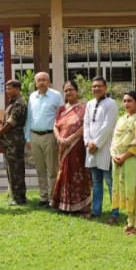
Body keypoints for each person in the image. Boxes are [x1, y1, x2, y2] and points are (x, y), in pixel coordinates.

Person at [51, 80, 92, 215]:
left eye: (71, 90)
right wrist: (59, 138)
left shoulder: (84, 108)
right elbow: (55, 125)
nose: (68, 92)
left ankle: (80, 205)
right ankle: (64, 204)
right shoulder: (61, 109)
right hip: (62, 146)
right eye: (66, 90)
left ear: (77, 91)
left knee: (77, 174)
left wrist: (71, 139)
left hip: (77, 146)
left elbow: (85, 126)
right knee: (63, 173)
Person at [25, 72, 63, 207]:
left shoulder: (56, 96)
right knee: (40, 169)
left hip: (50, 136)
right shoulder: (32, 96)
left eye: (44, 80)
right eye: (39, 80)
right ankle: (43, 197)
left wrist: (59, 138)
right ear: (35, 83)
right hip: (34, 136)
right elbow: (29, 117)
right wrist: (28, 137)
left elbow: (61, 117)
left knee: (52, 169)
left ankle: (53, 198)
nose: (41, 82)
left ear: (49, 82)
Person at [110, 90, 136, 232]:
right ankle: (130, 221)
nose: (126, 103)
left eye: (130, 101)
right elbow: (114, 140)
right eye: (124, 101)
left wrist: (125, 156)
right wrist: (114, 155)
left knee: (134, 190)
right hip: (118, 160)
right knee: (124, 190)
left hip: (132, 159)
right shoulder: (121, 119)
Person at [83, 76, 118, 219]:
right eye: (94, 86)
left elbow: (108, 126)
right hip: (91, 148)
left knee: (110, 182)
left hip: (105, 147)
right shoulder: (89, 104)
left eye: (99, 86)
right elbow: (86, 124)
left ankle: (115, 212)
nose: (96, 88)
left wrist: (96, 144)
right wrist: (88, 142)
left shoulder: (111, 103)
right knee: (96, 182)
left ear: (105, 88)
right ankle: (96, 210)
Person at [0, 79, 27, 205]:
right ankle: (14, 195)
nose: (7, 91)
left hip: (14, 143)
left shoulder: (19, 103)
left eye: (9, 88)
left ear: (17, 89)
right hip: (9, 143)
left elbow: (11, 124)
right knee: (11, 170)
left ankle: (19, 198)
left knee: (16, 171)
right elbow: (9, 121)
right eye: (6, 88)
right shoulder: (12, 102)